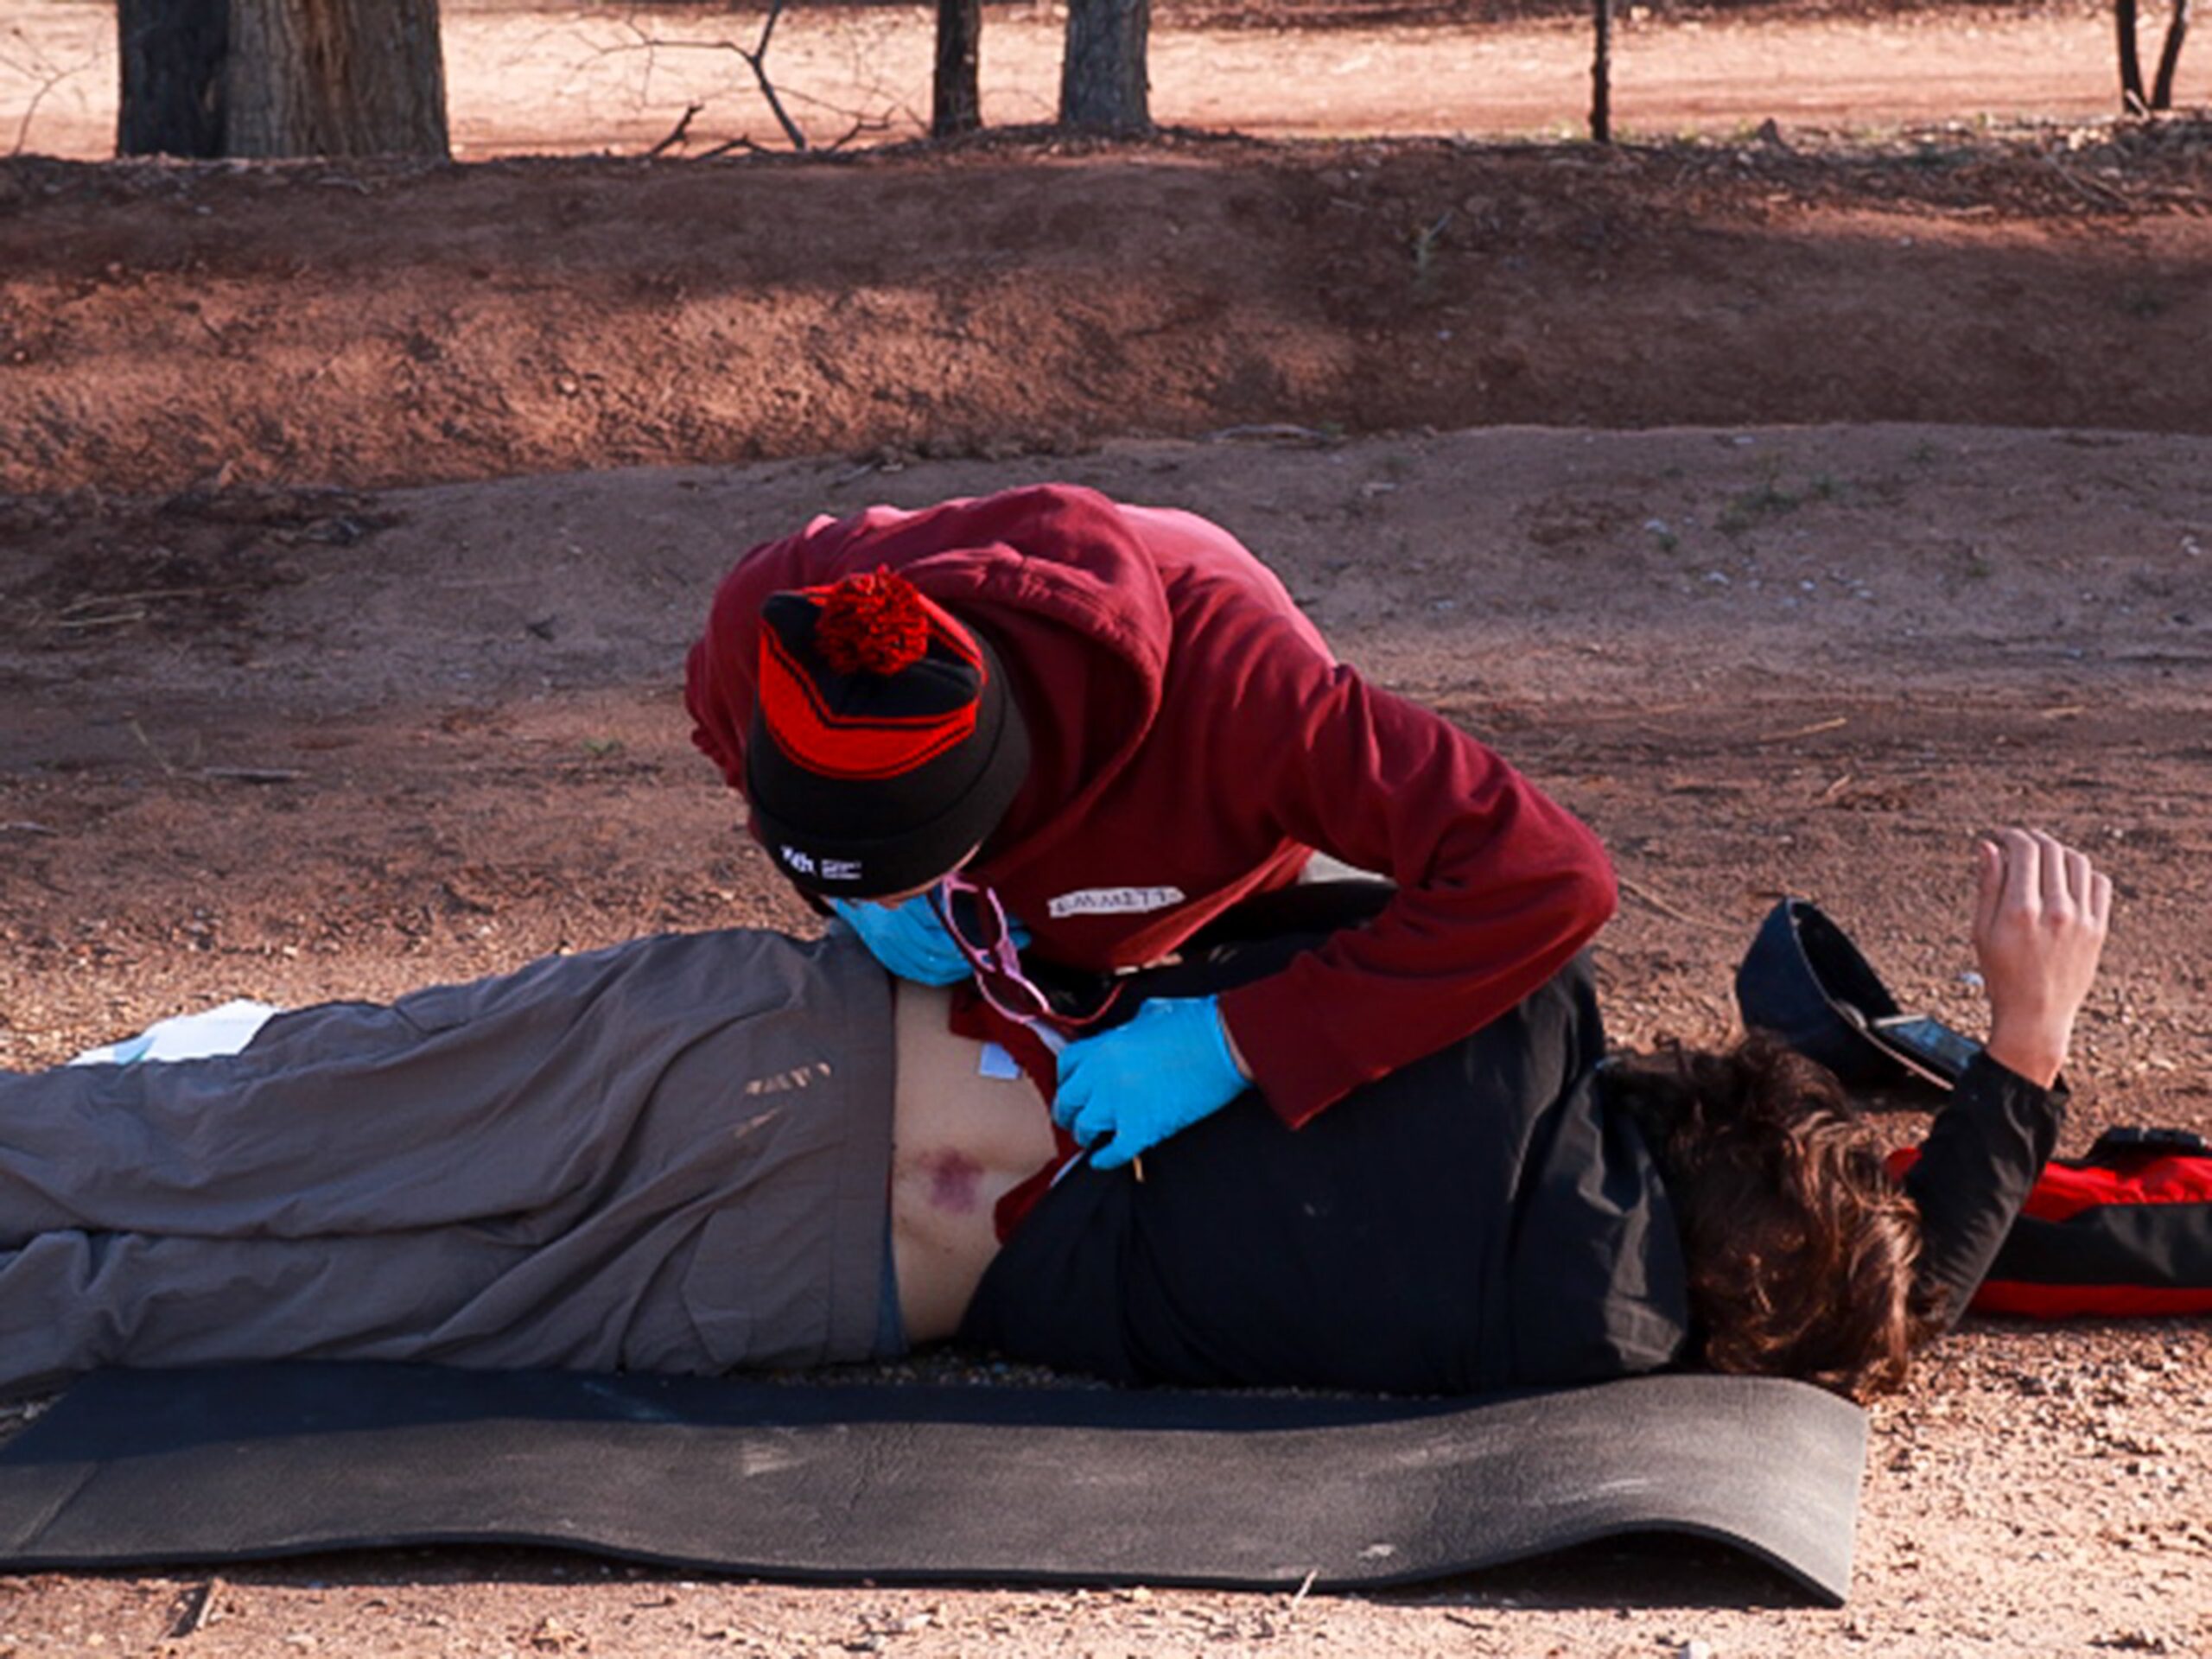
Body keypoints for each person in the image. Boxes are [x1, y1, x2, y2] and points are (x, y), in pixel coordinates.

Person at [0, 828, 2106, 1404]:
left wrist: (2017, 1038)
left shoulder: (1508, 1005)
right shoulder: (1573, 1358)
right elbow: (1888, 1316)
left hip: (818, 1057)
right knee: (278, 1316)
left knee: (256, 1134)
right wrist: (2002, 1089)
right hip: (831, 1284)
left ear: (1724, 1106)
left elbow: (1176, 877)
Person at [683, 483, 1617, 1168]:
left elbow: (1548, 877)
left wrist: (1239, 1040)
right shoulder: (779, 623)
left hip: (1232, 855)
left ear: (998, 794)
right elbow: (719, 722)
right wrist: (853, 902)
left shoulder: (1251, 700)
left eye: (912, 871)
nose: (891, 901)